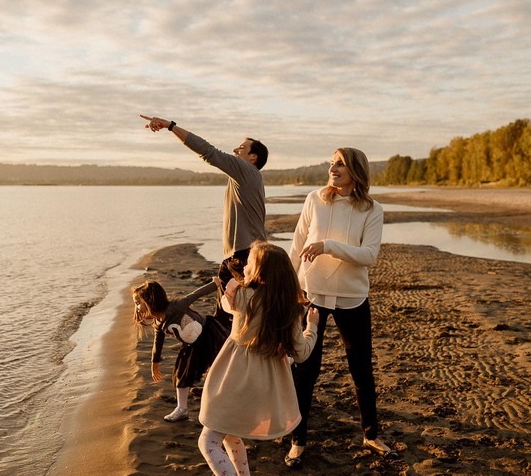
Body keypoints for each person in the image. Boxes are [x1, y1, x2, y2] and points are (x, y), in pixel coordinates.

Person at [284, 147, 395, 468]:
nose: (333, 168)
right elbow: (296, 243)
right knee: (305, 372)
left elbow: (369, 255)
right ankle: (297, 441)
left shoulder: (372, 209)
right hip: (312, 297)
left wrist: (328, 246)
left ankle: (371, 435)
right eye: (332, 163)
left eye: (340, 164)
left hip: (352, 299)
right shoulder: (314, 199)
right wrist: (291, 286)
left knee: (361, 371)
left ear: (356, 171)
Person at [197, 241, 319, 476]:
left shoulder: (242, 296)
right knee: (230, 436)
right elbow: (302, 353)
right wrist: (311, 327)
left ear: (260, 275)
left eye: (249, 264)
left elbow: (224, 302)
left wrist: (231, 288)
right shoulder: (290, 309)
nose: (244, 268)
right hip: (263, 386)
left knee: (208, 441)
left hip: (234, 379)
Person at [139, 115, 268, 311]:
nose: (234, 150)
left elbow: (208, 151)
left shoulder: (246, 171)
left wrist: (171, 126)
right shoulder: (245, 177)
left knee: (238, 315)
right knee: (228, 315)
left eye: (241, 148)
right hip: (240, 255)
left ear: (253, 157)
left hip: (245, 256)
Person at [132, 278, 229, 422]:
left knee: (216, 365)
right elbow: (158, 342)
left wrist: (215, 284)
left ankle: (214, 392)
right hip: (192, 344)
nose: (137, 307)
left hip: (209, 333)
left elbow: (195, 295)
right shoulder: (158, 322)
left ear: (150, 301)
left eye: (138, 303)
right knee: (182, 371)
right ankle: (182, 408)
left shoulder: (175, 307)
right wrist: (155, 363)